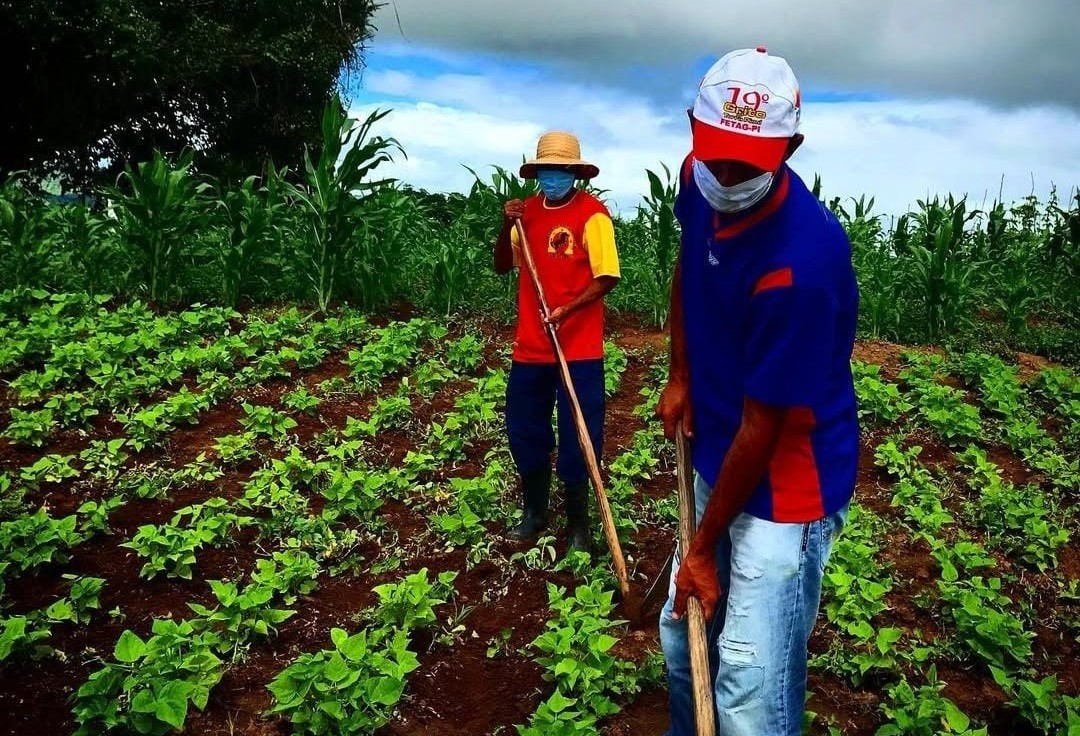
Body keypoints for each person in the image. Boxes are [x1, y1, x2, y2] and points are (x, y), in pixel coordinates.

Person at [655, 47, 860, 736]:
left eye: (749, 162)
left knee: (747, 687)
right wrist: (682, 373)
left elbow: (765, 426)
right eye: (716, 154)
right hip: (717, 442)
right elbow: (691, 259)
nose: (727, 176)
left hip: (787, 484)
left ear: (791, 147)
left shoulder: (803, 264)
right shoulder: (697, 177)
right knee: (686, 646)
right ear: (693, 130)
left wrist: (703, 548)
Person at [493, 130, 621, 554]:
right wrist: (505, 223)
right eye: (547, 170)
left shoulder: (593, 215)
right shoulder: (525, 213)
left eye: (561, 170)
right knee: (525, 430)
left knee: (580, 435)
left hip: (578, 350)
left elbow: (607, 278)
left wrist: (568, 309)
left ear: (575, 173)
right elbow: (502, 265)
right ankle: (534, 511)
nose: (554, 177)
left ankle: (578, 525)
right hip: (530, 348)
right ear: (537, 173)